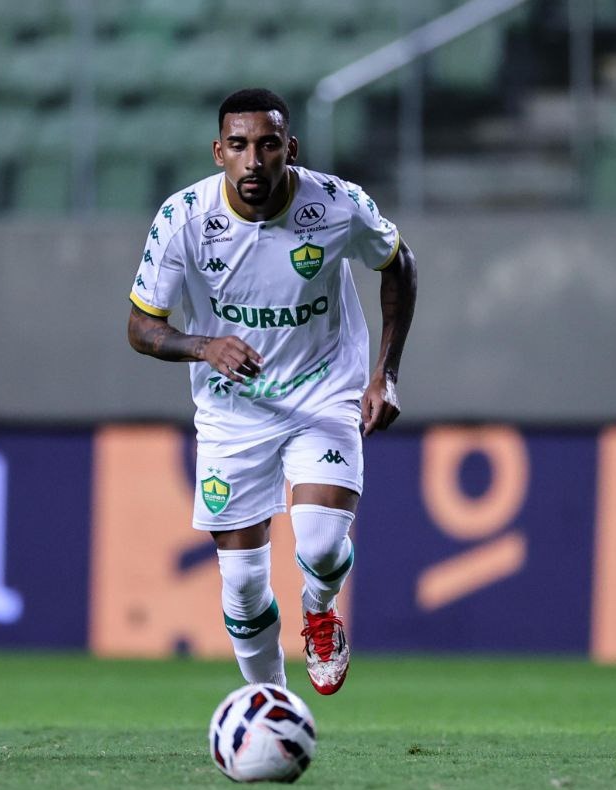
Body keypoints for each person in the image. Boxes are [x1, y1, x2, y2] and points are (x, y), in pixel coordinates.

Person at [126, 87, 417, 695]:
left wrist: (385, 373)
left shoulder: (336, 205)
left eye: (268, 144)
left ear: (291, 148)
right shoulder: (183, 220)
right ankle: (272, 706)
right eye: (238, 145)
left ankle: (319, 609)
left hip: (323, 393)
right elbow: (141, 327)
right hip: (233, 412)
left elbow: (399, 263)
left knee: (324, 546)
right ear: (218, 152)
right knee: (242, 586)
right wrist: (204, 346)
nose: (253, 160)